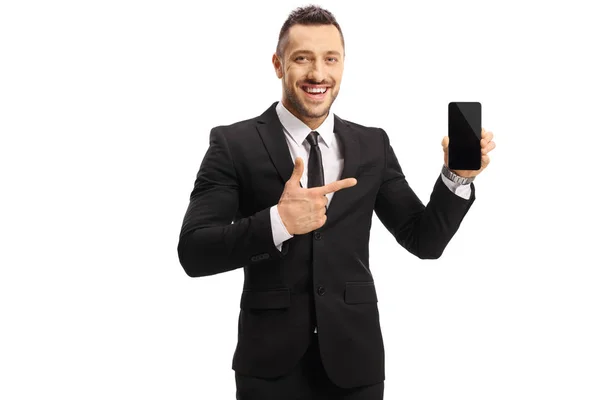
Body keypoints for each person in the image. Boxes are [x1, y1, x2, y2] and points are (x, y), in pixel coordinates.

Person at [177, 5, 496, 400]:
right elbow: (194, 251)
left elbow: (424, 241)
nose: (318, 74)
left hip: (355, 363)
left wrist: (456, 178)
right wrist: (279, 221)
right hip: (269, 368)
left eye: (331, 59)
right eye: (302, 58)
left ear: (344, 65)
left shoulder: (372, 144)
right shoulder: (233, 144)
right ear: (278, 65)